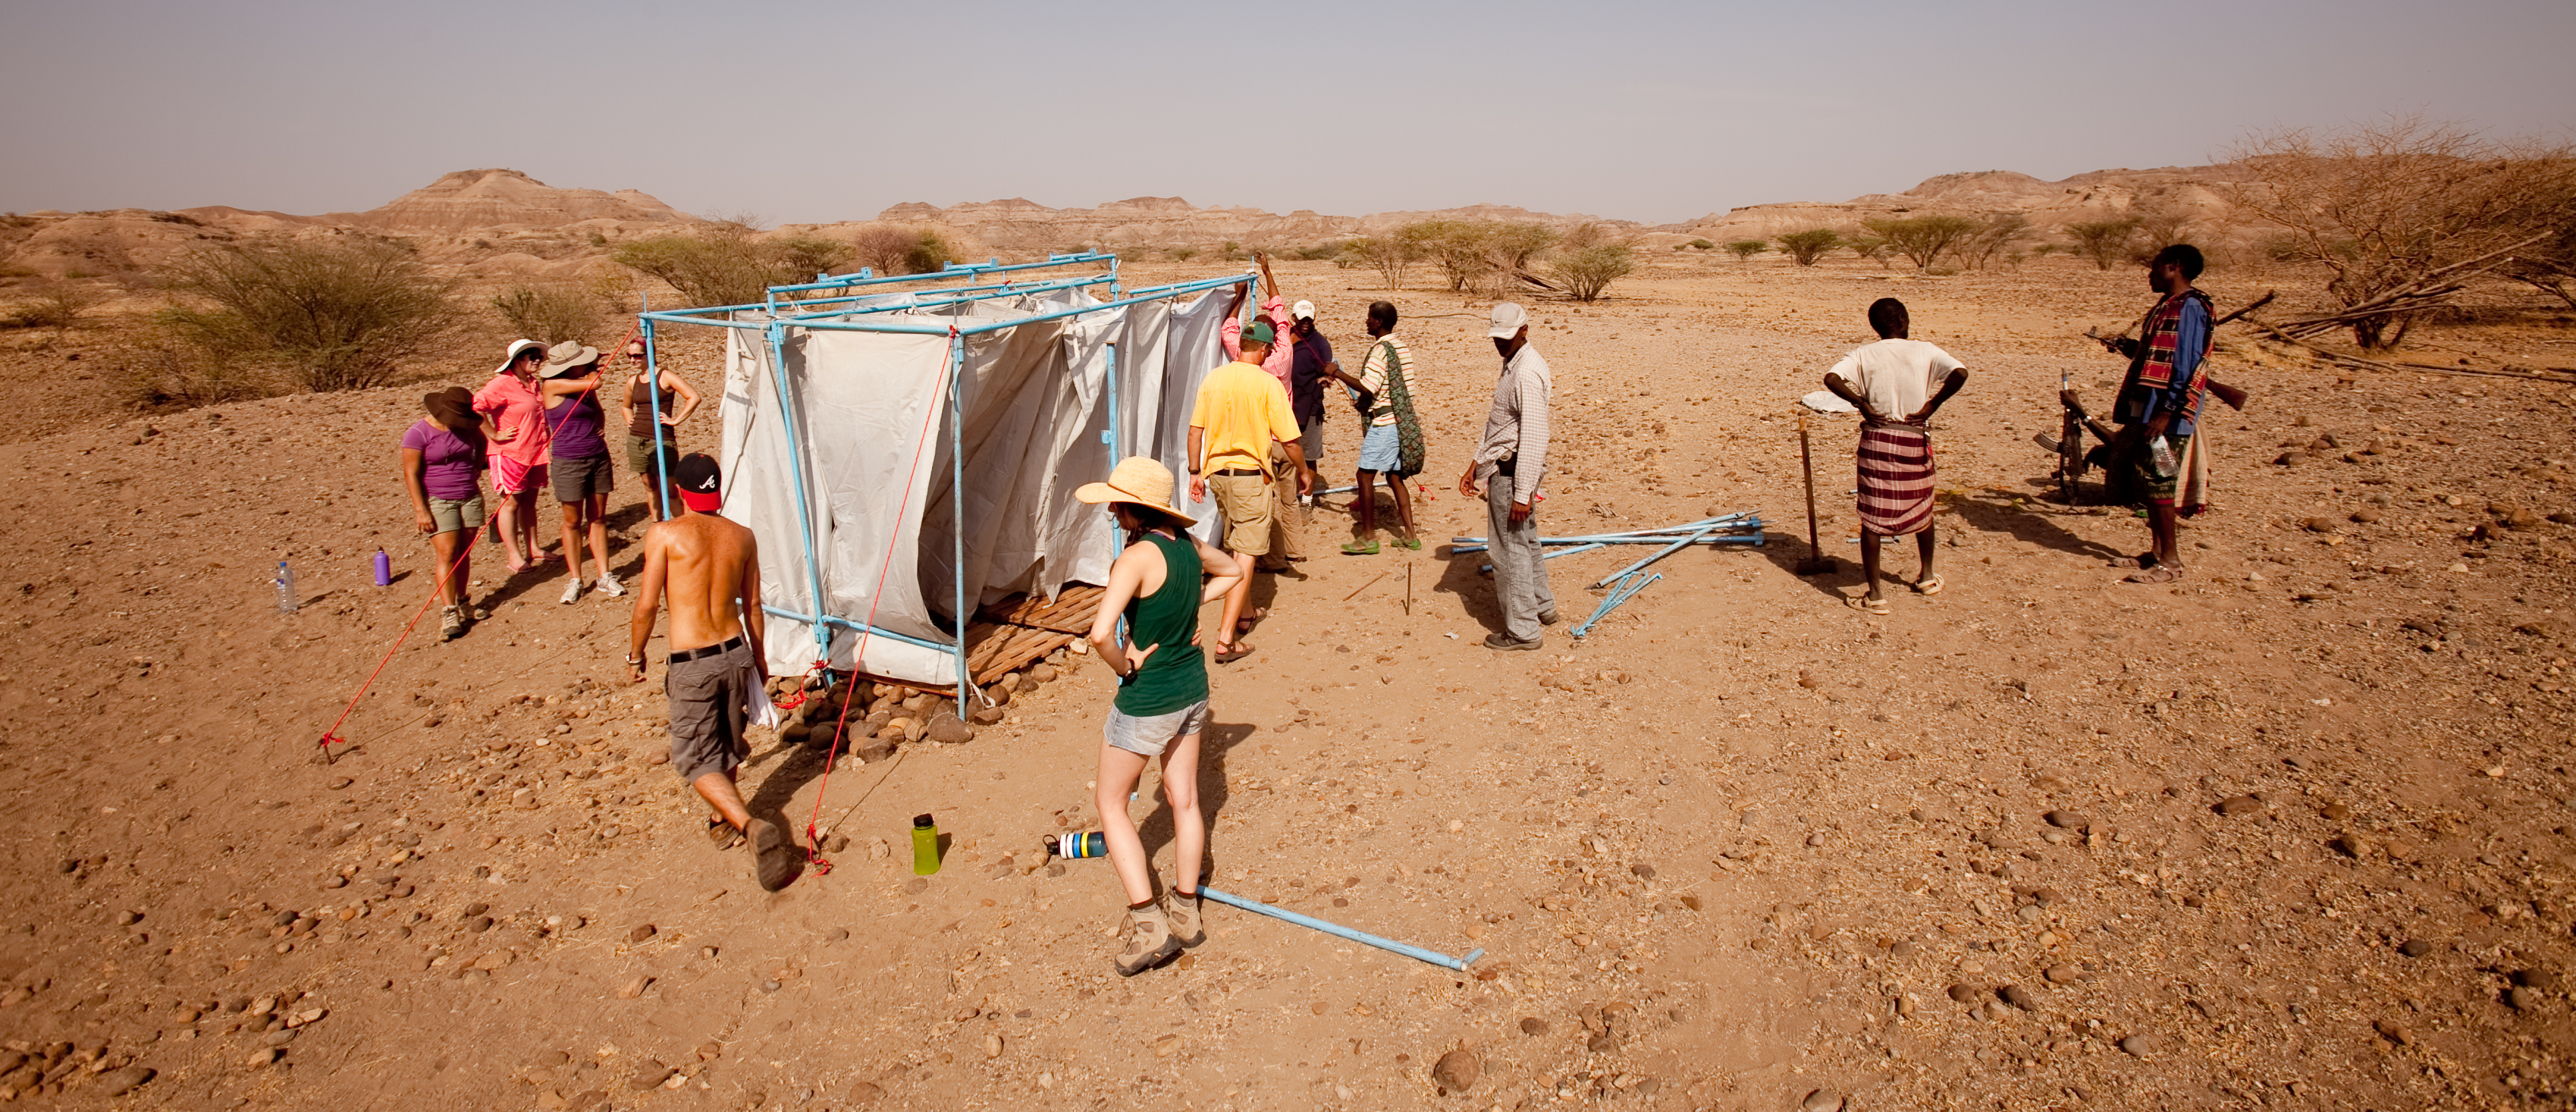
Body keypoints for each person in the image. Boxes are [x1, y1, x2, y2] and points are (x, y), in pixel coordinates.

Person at [1075, 457, 1246, 976]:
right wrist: (1194, 603)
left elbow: (1100, 634)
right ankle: (1186, 911)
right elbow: (1234, 570)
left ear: (1132, 507)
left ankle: (1148, 925)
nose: (1109, 509)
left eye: (1114, 502)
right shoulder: (1186, 545)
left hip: (1148, 696)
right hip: (1193, 688)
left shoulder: (1134, 560)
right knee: (1186, 800)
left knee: (1110, 804)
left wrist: (1124, 663)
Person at [625, 453, 797, 892]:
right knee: (727, 741)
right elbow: (753, 606)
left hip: (693, 659)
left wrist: (635, 653)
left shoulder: (664, 534)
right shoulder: (741, 536)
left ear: (680, 491)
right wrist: (759, 658)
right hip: (734, 648)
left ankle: (748, 825)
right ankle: (720, 819)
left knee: (693, 757)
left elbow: (646, 605)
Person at [1823, 297, 1969, 613]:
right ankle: (1927, 577)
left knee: (1873, 518)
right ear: (1902, 320)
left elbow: (1832, 379)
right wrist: (1933, 404)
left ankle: (1876, 596)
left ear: (1875, 327)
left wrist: (1861, 403)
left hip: (1877, 439)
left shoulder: (1863, 354)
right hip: (1914, 439)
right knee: (1923, 506)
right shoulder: (1926, 350)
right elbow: (1960, 373)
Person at [1188, 319, 1312, 663]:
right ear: (1265, 350)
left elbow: (1195, 431)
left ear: (1240, 345)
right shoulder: (1268, 384)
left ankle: (1245, 614)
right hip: (1249, 478)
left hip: (1218, 479)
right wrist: (1304, 472)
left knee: (1237, 546)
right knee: (1246, 554)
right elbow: (1289, 440)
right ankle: (1226, 641)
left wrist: (1195, 472)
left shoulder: (1214, 378)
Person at [2096, 244, 2214, 585]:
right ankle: (2157, 552)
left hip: (2168, 416)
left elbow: (2185, 367)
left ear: (2174, 267)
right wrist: (2133, 350)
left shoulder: (2189, 307)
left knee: (2161, 482)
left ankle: (2171, 562)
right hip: (2152, 411)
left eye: (2156, 267)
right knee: (2149, 482)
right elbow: (2161, 356)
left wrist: (2165, 413)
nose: (2150, 273)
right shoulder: (2170, 306)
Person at [1461, 302, 1557, 649]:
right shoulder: (1513, 363)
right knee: (1526, 542)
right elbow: (1499, 423)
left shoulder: (1526, 373)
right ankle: (1542, 607)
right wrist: (1475, 465)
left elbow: (1534, 435)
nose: (1500, 344)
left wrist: (1522, 493)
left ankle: (1523, 631)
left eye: (1507, 337)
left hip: (1513, 474)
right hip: (1504, 468)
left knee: (1507, 552)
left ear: (1524, 330)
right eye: (1497, 338)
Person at [1218, 253, 1308, 567]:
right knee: (1290, 499)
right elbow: (1280, 311)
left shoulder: (1249, 362)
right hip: (1287, 441)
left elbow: (1230, 331)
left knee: (1264, 503)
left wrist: (1239, 296)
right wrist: (1269, 273)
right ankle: (1296, 549)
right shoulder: (1285, 355)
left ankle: (1272, 558)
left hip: (1263, 443)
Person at [1328, 300, 1422, 553]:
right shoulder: (1401, 346)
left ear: (1379, 322)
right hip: (1401, 422)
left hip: (1386, 423)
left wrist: (1337, 373)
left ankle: (1368, 538)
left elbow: (1369, 386)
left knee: (1364, 476)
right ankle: (1410, 536)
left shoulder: (1380, 350)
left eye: (1369, 318)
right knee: (1394, 477)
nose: (1366, 322)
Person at [399, 386, 489, 641]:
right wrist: (421, 509)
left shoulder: (468, 426)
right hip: (438, 499)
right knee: (447, 553)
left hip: (470, 495)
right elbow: (411, 474)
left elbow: (482, 443)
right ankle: (449, 610)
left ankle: (463, 601)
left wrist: (477, 468)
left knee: (463, 552)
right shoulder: (418, 434)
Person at [538, 341, 622, 605]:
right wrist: (594, 368)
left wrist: (600, 426)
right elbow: (596, 383)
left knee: (598, 518)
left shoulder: (583, 386)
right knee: (573, 521)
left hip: (597, 455)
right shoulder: (553, 385)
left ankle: (604, 575)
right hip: (568, 461)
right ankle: (576, 578)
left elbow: (598, 408)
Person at [473, 339, 554, 572]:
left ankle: (534, 548)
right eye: (531, 356)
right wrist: (494, 435)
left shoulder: (533, 384)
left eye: (538, 356)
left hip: (535, 452)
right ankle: (514, 555)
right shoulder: (501, 384)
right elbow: (477, 407)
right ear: (517, 360)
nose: (537, 360)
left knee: (530, 502)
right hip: (510, 453)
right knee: (511, 504)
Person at [622, 339, 700, 521]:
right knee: (649, 485)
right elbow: (626, 406)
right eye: (629, 356)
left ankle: (685, 527)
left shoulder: (665, 376)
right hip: (636, 440)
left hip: (662, 440)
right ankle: (658, 525)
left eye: (636, 356)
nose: (632, 360)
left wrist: (676, 421)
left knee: (669, 489)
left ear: (649, 354)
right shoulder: (632, 381)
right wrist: (630, 421)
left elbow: (694, 397)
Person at [1285, 298, 1334, 477]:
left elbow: (1329, 367)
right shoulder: (1284, 337)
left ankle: (1307, 499)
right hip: (1285, 405)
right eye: (1302, 319)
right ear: (1294, 318)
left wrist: (1327, 378)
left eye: (1309, 319)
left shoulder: (1320, 343)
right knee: (1283, 454)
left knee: (1308, 455)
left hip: (1310, 407)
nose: (1306, 323)